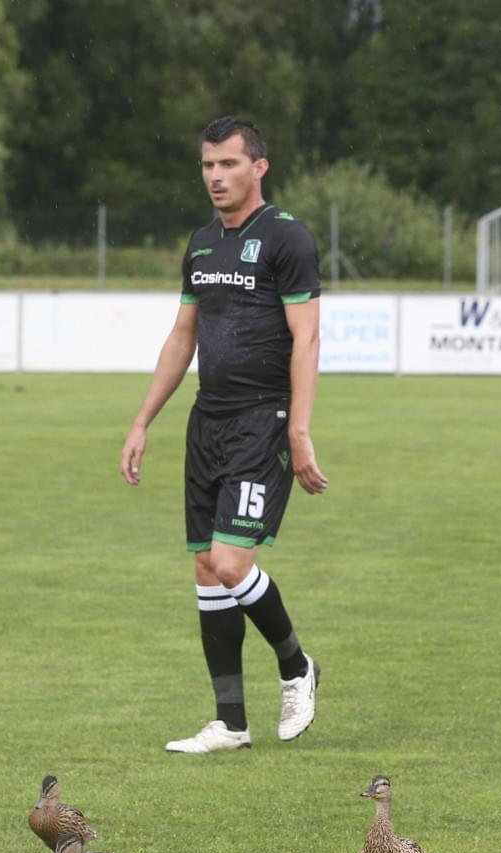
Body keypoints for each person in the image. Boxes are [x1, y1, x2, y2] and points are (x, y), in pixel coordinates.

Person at [119, 116, 326, 754]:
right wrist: (142, 419)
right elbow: (183, 336)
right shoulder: (202, 243)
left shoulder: (287, 239)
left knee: (234, 562)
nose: (216, 176)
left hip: (262, 421)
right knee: (208, 569)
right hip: (207, 420)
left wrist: (299, 427)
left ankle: (297, 666)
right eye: (208, 165)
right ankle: (230, 722)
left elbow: (307, 338)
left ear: (258, 167)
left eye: (228, 164)